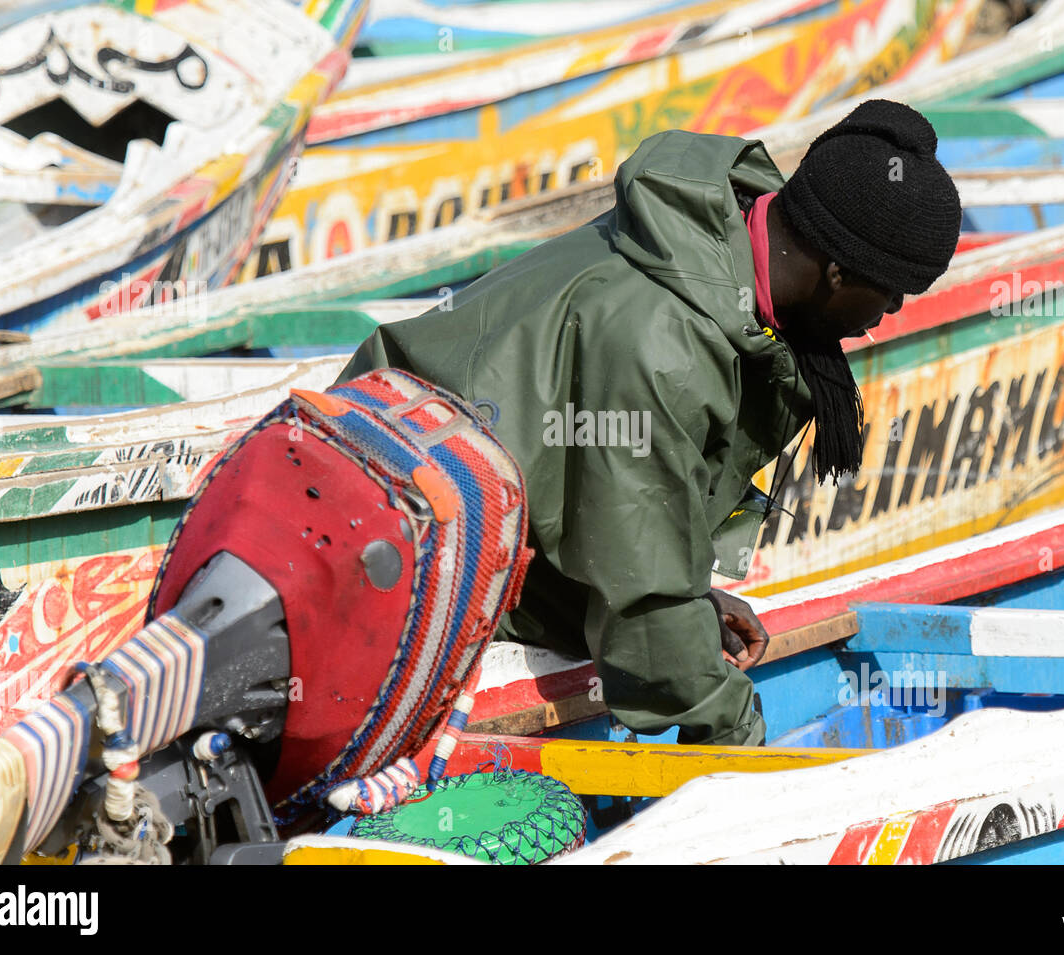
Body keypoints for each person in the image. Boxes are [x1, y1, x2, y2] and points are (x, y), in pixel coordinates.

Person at [336, 99, 962, 745]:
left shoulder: (722, 236)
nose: (890, 309)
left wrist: (693, 595)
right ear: (835, 271)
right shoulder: (665, 348)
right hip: (394, 534)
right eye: (891, 291)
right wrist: (737, 738)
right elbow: (644, 610)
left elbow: (622, 520)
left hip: (452, 484)